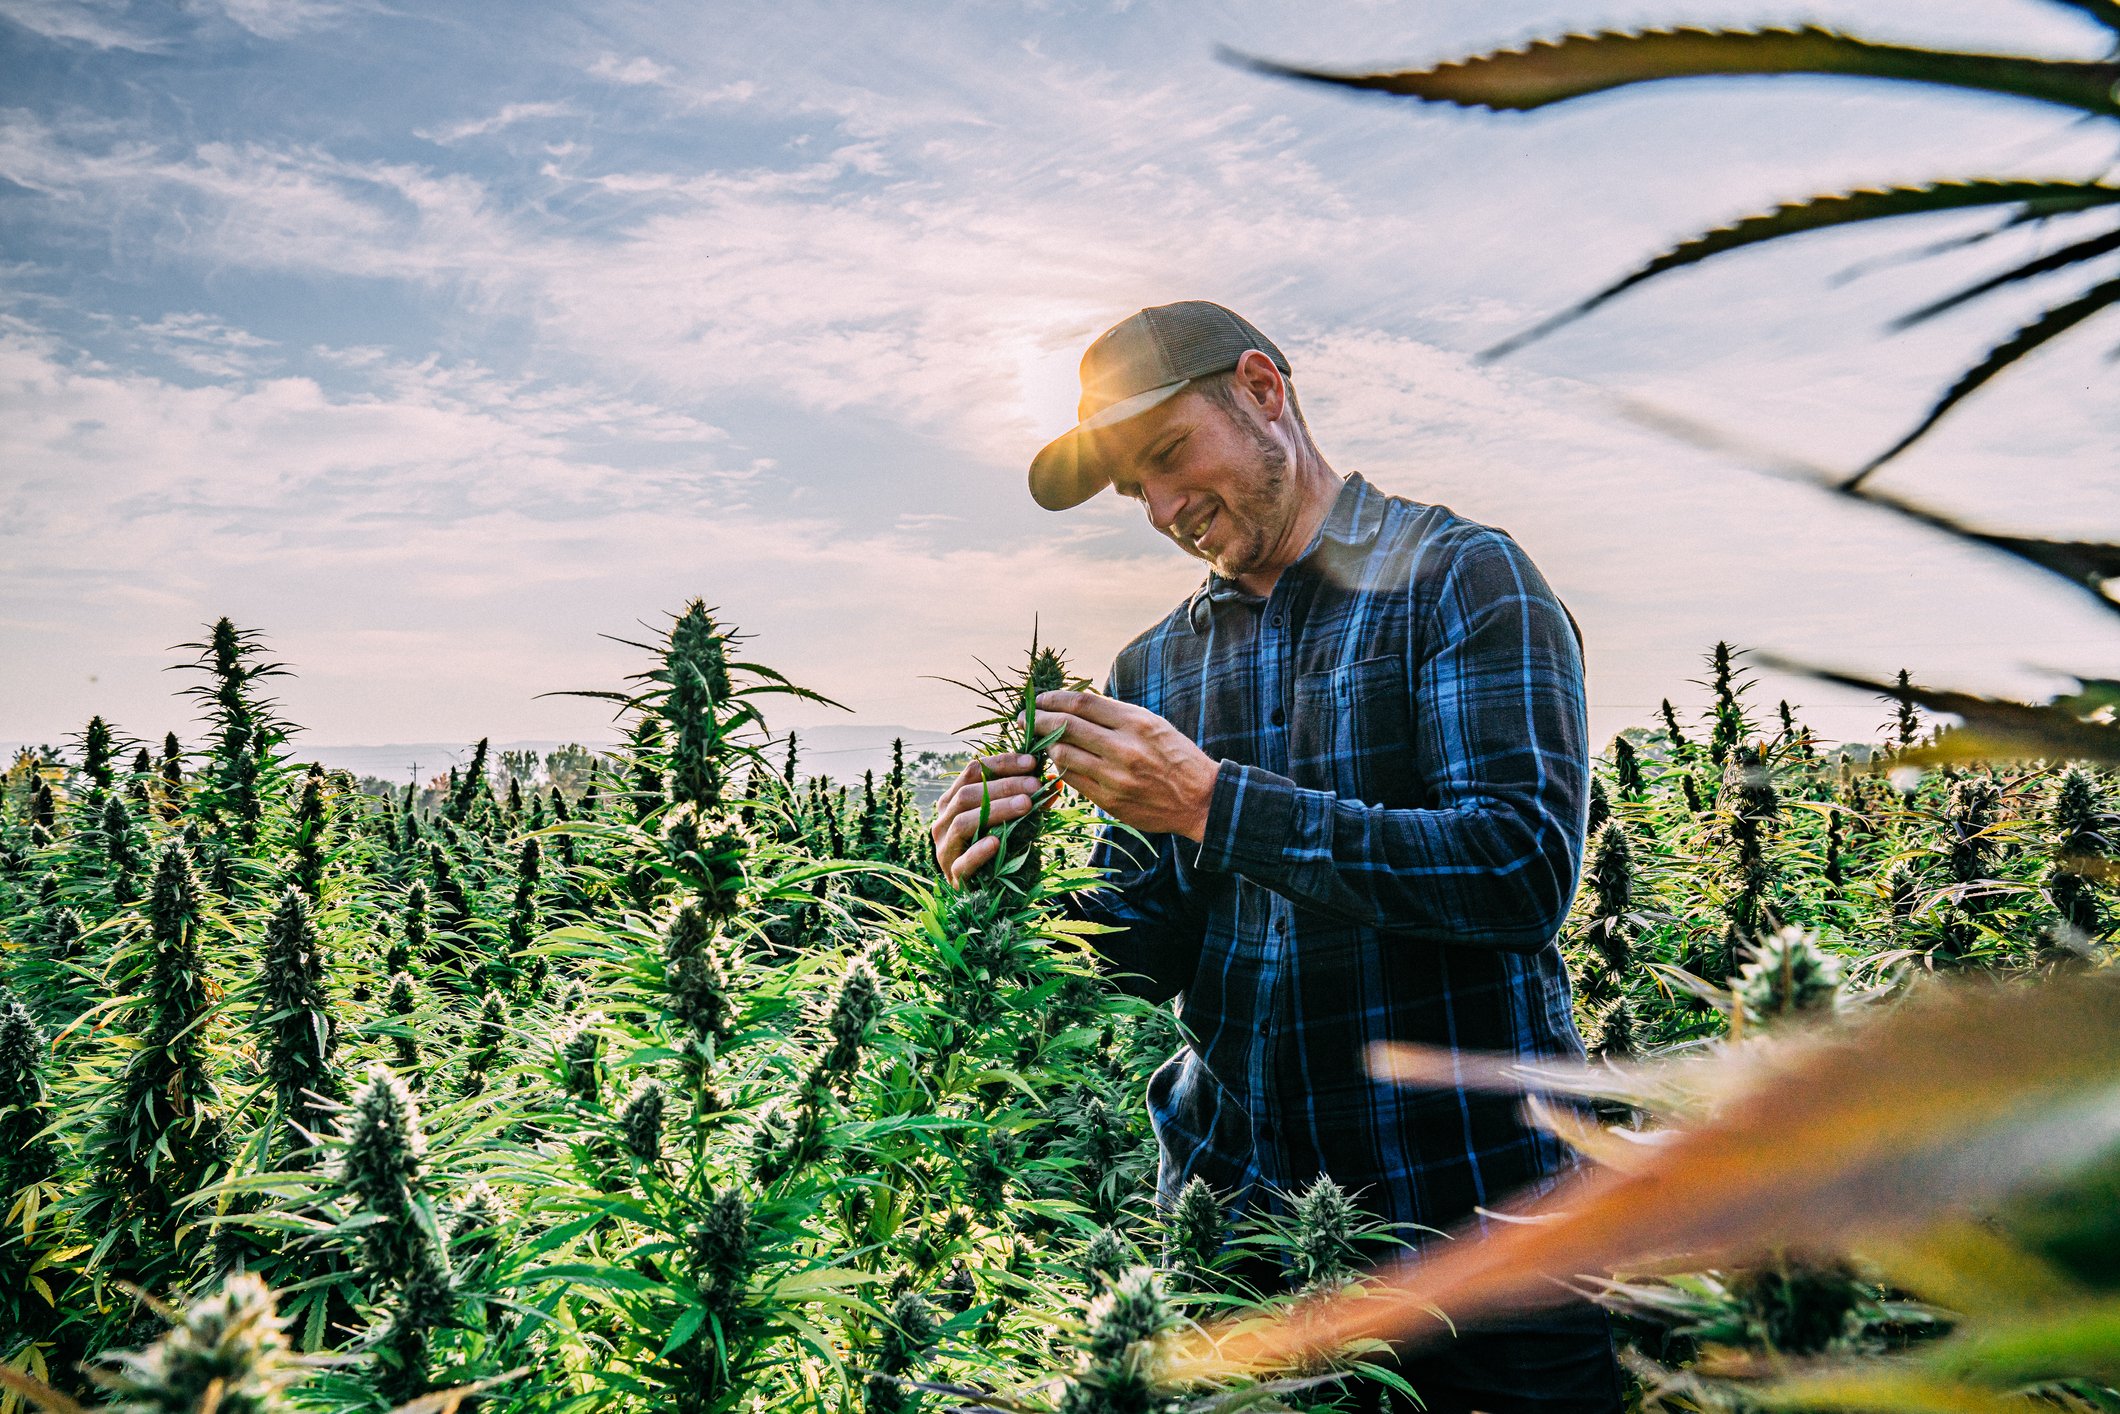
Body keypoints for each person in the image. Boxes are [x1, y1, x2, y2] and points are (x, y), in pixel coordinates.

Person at [929, 301, 1621, 1412]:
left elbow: (1516, 870)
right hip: (1239, 1232)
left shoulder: (1460, 580)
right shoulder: (1154, 664)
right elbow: (1146, 940)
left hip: (1478, 1231)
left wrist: (1212, 804)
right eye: (1133, 491)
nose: (1162, 508)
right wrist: (1007, 888)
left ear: (1261, 389)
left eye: (1168, 457)